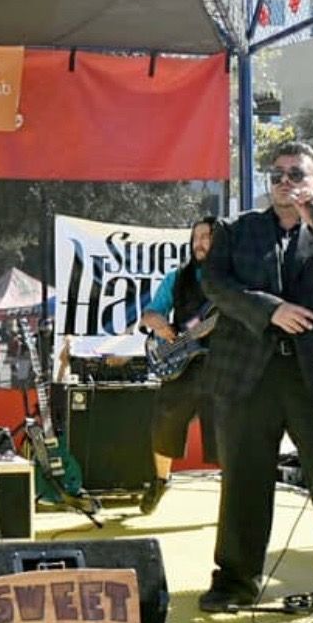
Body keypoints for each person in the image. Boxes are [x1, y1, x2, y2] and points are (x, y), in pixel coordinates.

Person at [199, 141, 313, 611]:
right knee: (245, 480)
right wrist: (270, 310)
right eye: (278, 174)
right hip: (249, 375)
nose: (285, 182)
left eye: (296, 174)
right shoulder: (236, 230)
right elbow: (215, 284)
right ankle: (235, 582)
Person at [138, 216, 218, 514]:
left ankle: (232, 497)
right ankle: (160, 480)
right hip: (181, 363)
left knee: (226, 429)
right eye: (196, 237)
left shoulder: (232, 278)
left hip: (222, 364)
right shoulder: (178, 277)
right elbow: (149, 314)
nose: (199, 242)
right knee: (164, 422)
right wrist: (160, 325)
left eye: (206, 236)